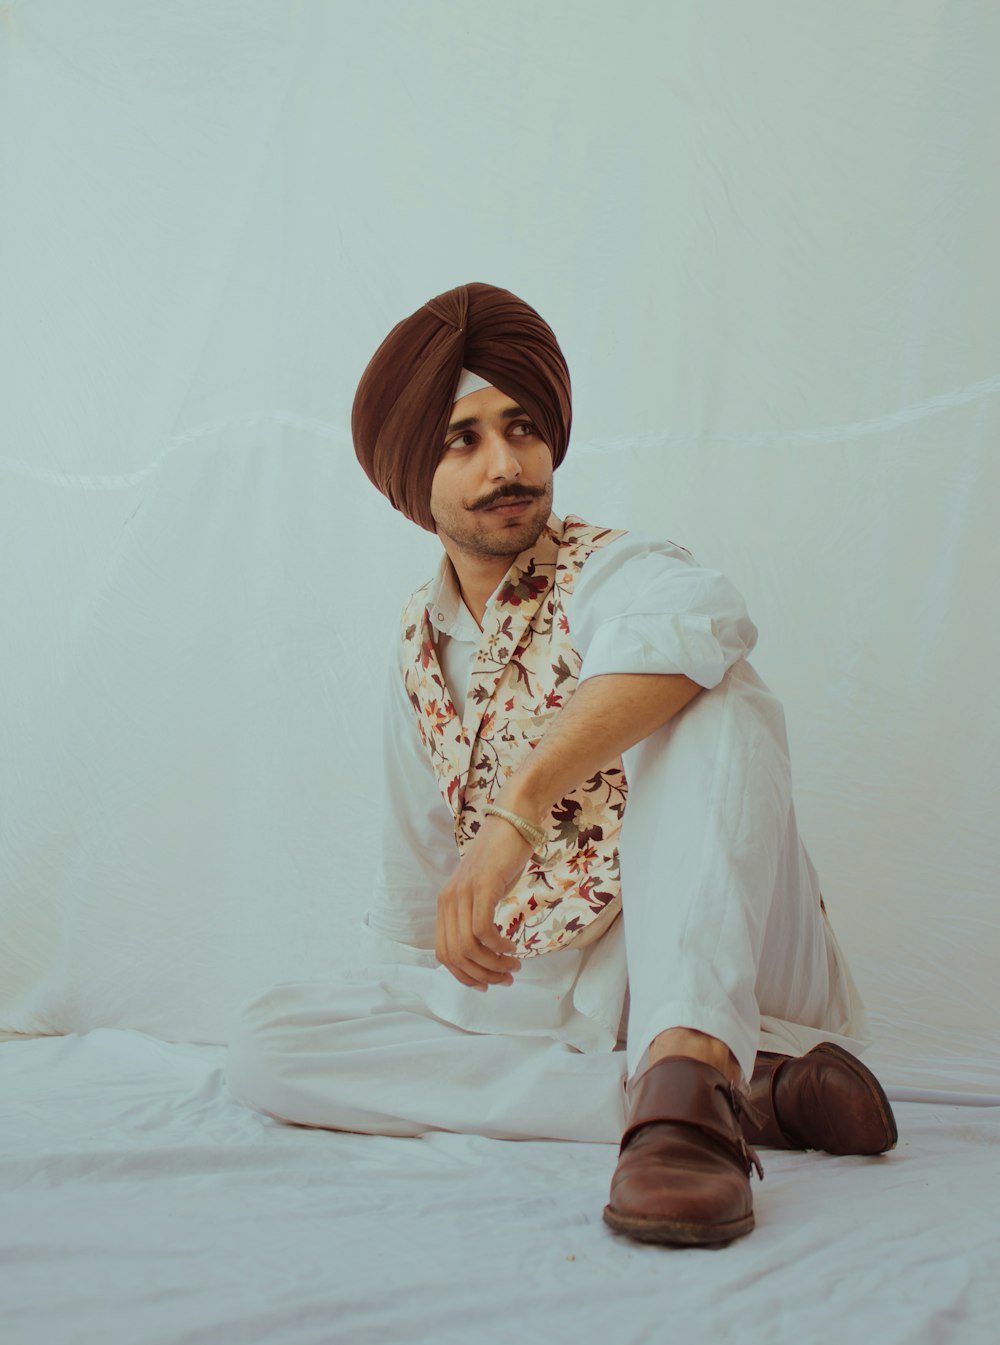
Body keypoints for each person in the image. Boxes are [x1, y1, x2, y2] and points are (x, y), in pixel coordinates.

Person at [225, 281, 897, 1247]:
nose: (507, 463)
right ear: (414, 471)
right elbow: (419, 907)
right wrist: (414, 1012)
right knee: (267, 1042)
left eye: (523, 427)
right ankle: (738, 1095)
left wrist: (518, 810)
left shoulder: (615, 567)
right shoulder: (416, 650)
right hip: (562, 1001)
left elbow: (701, 615)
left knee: (714, 686)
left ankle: (697, 1053)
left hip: (727, 955)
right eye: (463, 438)